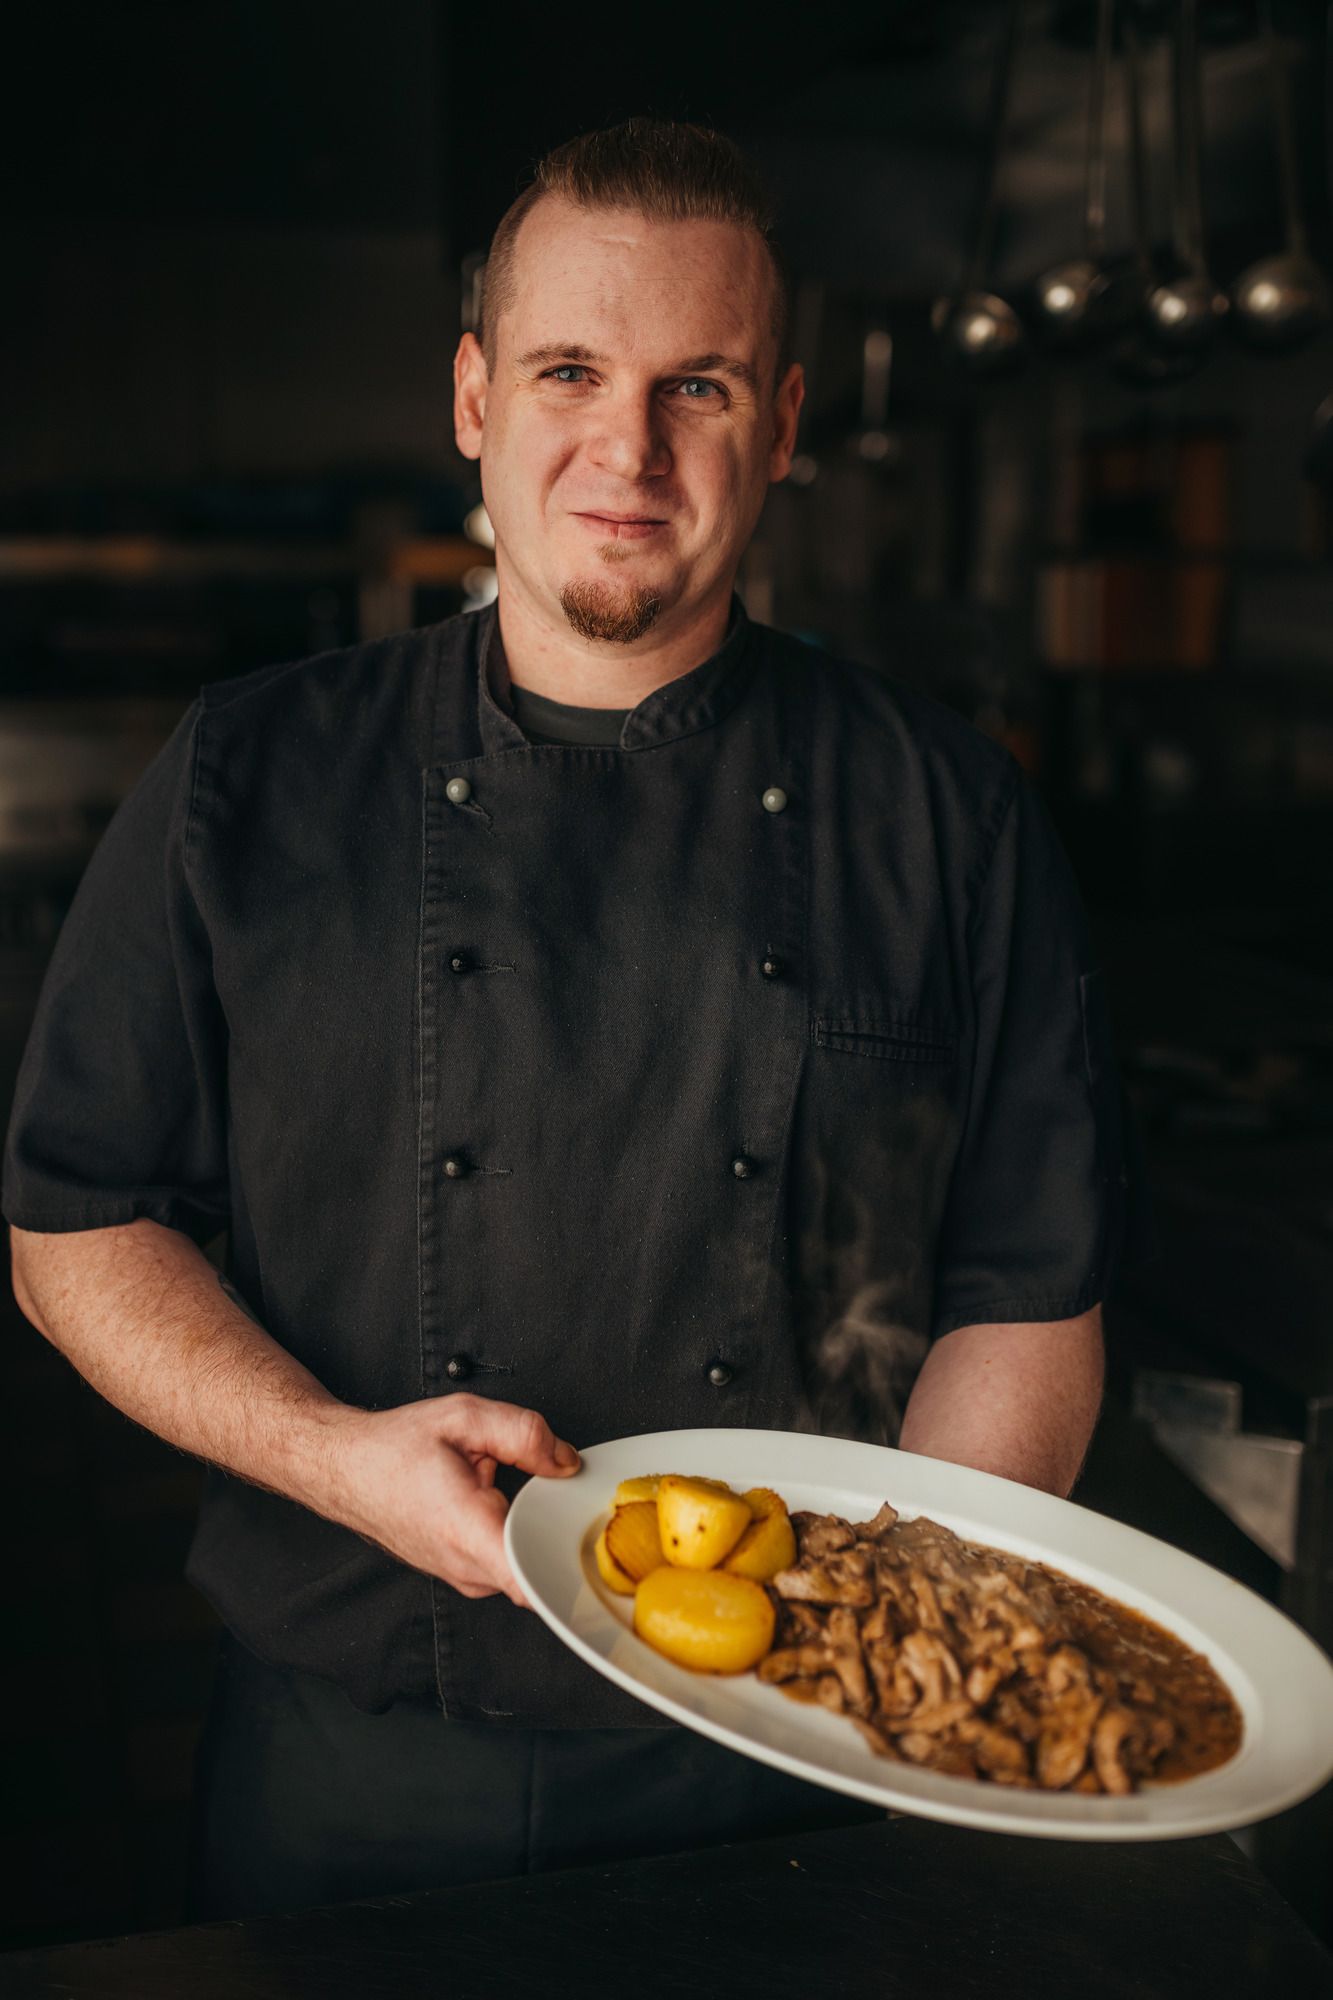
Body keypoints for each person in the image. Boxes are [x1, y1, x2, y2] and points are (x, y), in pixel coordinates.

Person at [4, 118, 1126, 1919]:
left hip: (793, 1764)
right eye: (569, 371)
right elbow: (74, 1223)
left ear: (782, 423)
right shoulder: (249, 775)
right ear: (470, 396)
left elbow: (1026, 1290)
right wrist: (332, 1460)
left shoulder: (946, 814)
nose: (629, 449)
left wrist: (889, 1651)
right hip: (358, 1747)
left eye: (699, 385)